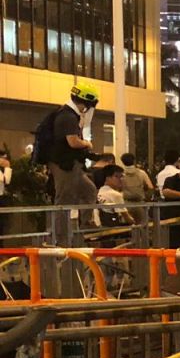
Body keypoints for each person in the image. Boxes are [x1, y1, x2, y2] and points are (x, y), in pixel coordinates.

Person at [44, 83, 101, 241]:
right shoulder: (68, 116)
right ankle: (59, 238)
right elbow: (73, 141)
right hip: (64, 164)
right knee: (64, 200)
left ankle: (86, 223)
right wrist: (87, 144)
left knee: (89, 190)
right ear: (86, 101)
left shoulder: (69, 114)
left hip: (71, 164)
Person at [94, 164, 134, 229]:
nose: (120, 179)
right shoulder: (115, 194)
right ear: (107, 178)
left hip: (99, 226)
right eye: (116, 176)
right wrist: (134, 222)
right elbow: (126, 217)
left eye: (121, 176)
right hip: (110, 228)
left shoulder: (100, 190)